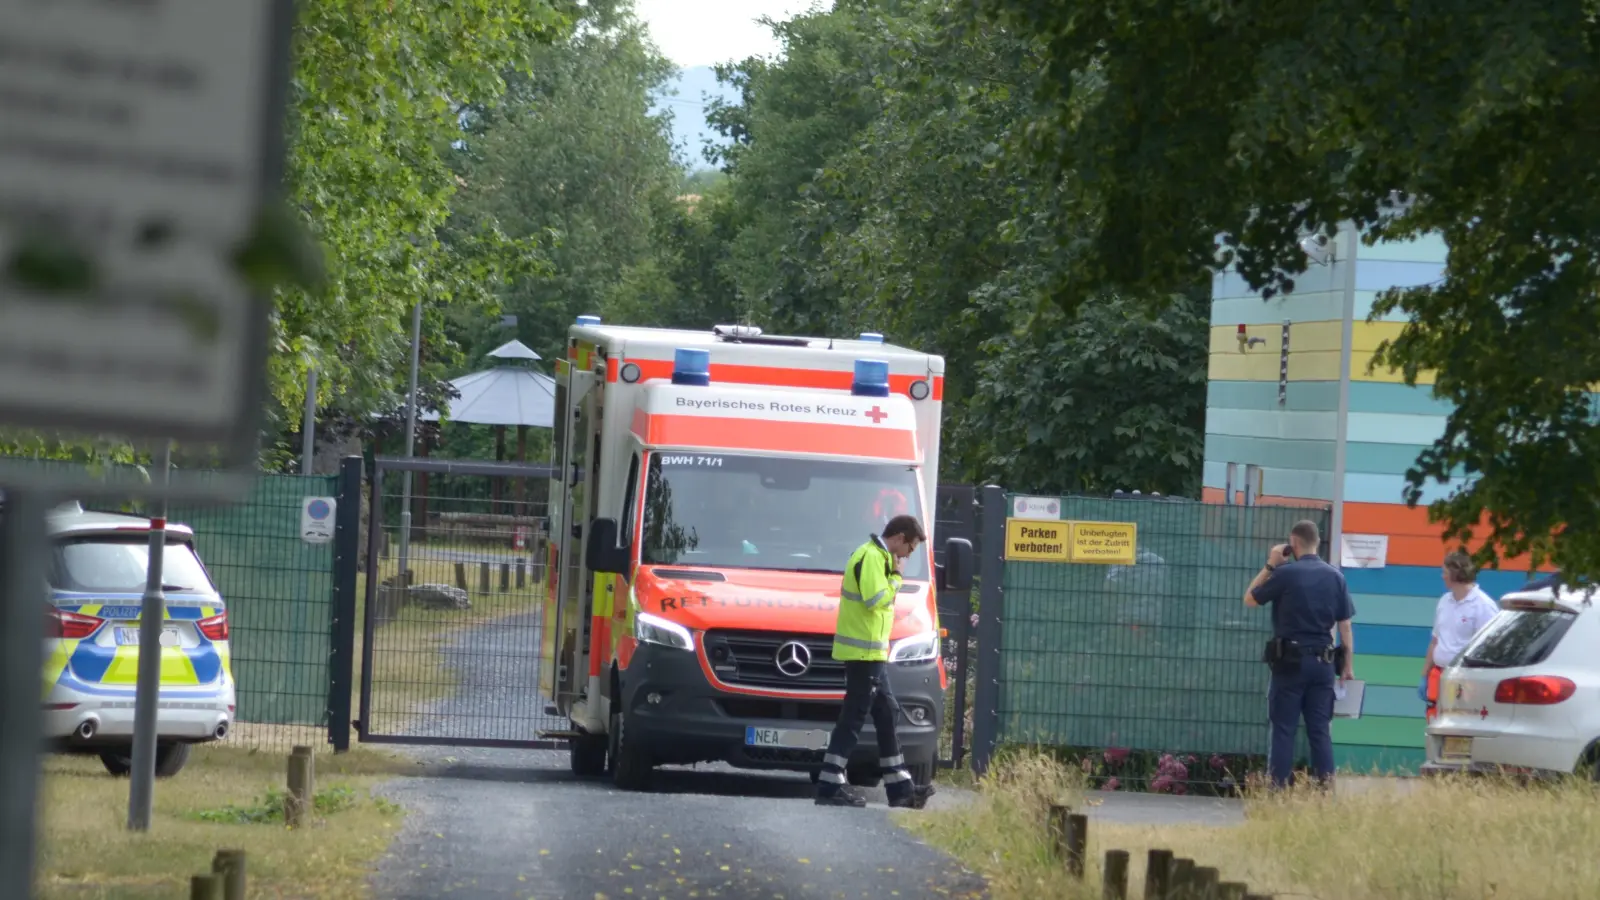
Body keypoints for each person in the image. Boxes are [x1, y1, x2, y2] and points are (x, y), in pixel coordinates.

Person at [815, 514, 935, 809]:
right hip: (863, 654)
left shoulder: (877, 556)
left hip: (872, 654)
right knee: (854, 718)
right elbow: (874, 599)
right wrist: (896, 578)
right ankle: (830, 785)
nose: (908, 555)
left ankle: (900, 789)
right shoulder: (871, 557)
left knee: (886, 712)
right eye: (911, 548)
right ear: (900, 538)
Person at [1243, 519, 1356, 790]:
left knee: (1284, 730)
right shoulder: (1335, 576)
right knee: (1320, 731)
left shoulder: (1285, 574)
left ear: (1292, 543)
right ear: (1316, 542)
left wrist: (1271, 565)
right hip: (1324, 664)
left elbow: (1249, 599)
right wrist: (1348, 666)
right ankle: (1325, 792)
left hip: (1290, 664)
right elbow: (1345, 627)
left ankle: (1279, 792)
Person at [1421, 551, 1501, 721]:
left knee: (1458, 724)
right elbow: (1435, 640)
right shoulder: (1444, 601)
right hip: (1439, 674)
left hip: (1465, 677)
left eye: (1445, 572)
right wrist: (1424, 675)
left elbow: (1491, 647)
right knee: (1434, 722)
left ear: (1456, 574)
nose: (1442, 577)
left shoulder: (1483, 606)